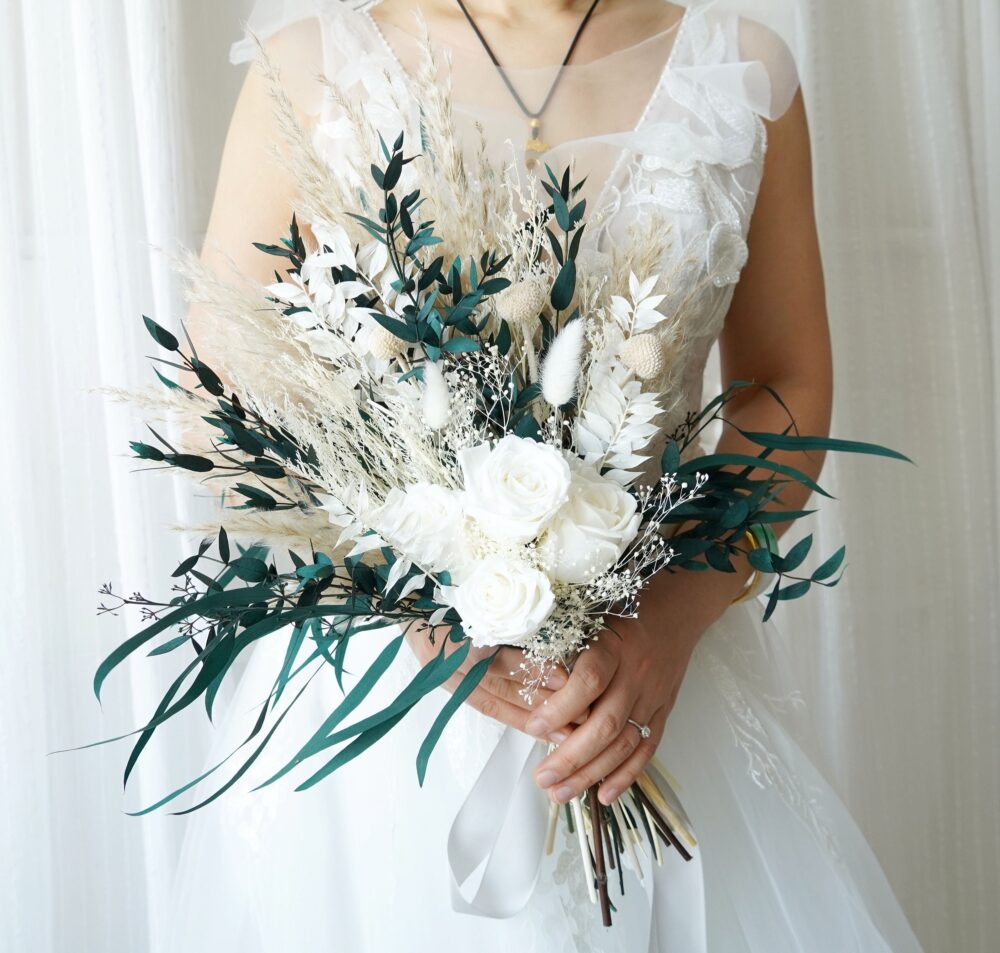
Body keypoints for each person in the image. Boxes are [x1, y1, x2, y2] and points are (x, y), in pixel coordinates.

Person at [166, 1, 928, 950]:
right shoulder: (313, 66)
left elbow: (787, 379)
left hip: (642, 688)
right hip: (384, 710)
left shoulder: (740, 74)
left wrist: (674, 620)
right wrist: (404, 605)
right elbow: (219, 394)